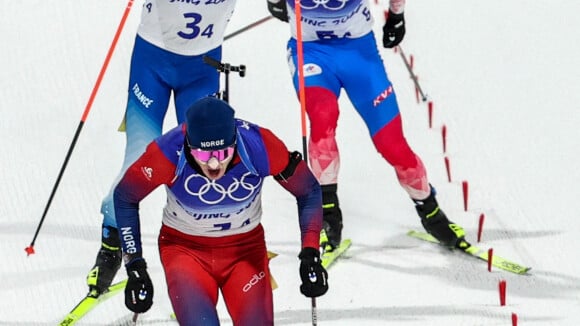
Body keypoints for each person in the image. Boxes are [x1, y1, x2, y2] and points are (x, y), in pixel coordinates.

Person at [266, 0, 471, 251]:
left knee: (392, 144)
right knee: (322, 118)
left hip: (359, 52)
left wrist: (397, 16)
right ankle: (328, 215)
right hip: (311, 52)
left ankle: (430, 212)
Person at [114, 97, 328, 324]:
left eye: (222, 153)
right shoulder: (167, 152)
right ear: (188, 144)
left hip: (244, 251)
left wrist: (310, 254)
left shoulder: (260, 146)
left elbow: (308, 191)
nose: (214, 165)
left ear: (234, 140)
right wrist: (134, 265)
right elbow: (125, 196)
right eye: (204, 155)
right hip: (186, 252)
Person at [87, 0, 240, 296]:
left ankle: (203, 257)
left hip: (202, 67)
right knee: (140, 158)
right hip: (153, 63)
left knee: (207, 163)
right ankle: (111, 244)